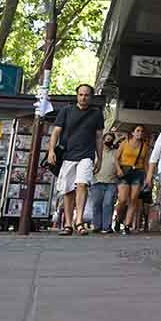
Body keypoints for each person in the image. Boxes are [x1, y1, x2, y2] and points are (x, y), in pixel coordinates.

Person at [46, 84, 104, 236]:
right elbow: (56, 132)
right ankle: (68, 224)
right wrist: (51, 150)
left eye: (86, 95)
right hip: (67, 155)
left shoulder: (96, 113)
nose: (83, 97)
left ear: (91, 97)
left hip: (86, 155)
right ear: (77, 95)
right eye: (81, 94)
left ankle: (79, 221)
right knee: (67, 190)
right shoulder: (66, 111)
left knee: (82, 184)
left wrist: (100, 158)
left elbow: (99, 137)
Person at [114, 125, 149, 235]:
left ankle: (127, 225)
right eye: (137, 130)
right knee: (123, 199)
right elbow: (116, 158)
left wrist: (148, 178)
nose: (140, 133)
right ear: (132, 133)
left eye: (142, 131)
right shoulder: (125, 143)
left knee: (134, 199)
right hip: (124, 171)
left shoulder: (145, 146)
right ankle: (118, 219)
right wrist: (118, 169)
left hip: (138, 172)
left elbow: (146, 163)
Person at [89, 131, 120, 233]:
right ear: (102, 140)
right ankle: (97, 226)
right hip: (97, 181)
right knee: (97, 203)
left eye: (110, 139)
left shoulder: (115, 152)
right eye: (107, 138)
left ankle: (107, 227)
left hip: (111, 182)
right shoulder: (96, 151)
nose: (108, 141)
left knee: (108, 203)